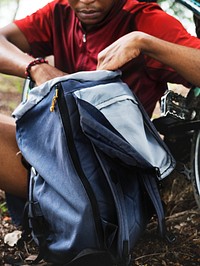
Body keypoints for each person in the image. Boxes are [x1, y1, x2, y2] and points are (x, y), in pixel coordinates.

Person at [1, 0, 200, 207]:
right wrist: (36, 67)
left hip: (111, 174)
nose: (86, 0)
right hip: (59, 146)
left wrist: (145, 43)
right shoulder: (59, 12)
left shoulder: (143, 19)